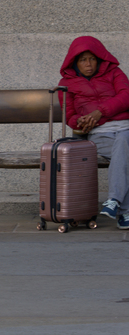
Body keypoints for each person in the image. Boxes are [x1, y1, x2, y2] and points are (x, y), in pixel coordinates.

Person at [59, 35, 129, 229]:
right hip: (100, 135)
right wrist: (80, 121)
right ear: (75, 62)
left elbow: (126, 96)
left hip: (126, 128)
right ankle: (124, 211)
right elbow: (69, 116)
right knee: (123, 152)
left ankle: (115, 201)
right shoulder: (66, 83)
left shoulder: (115, 73)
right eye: (83, 60)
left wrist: (99, 112)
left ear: (99, 59)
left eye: (92, 58)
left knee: (123, 143)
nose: (88, 64)